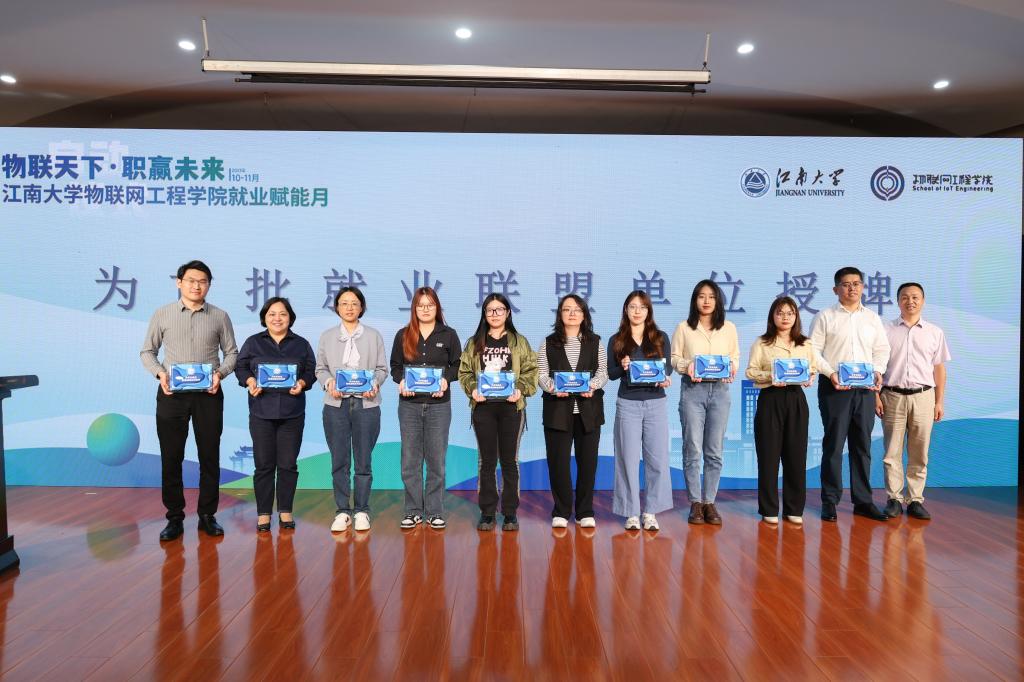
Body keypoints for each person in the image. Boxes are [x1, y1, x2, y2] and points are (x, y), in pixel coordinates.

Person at [141, 260, 238, 541]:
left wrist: (220, 374)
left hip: (208, 395)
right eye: (192, 280)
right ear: (179, 282)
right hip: (172, 395)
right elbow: (147, 352)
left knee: (209, 455)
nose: (197, 286)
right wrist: (160, 374)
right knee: (172, 457)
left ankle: (208, 515)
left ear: (209, 285)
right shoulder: (163, 314)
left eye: (203, 281)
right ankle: (174, 517)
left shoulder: (220, 316)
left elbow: (232, 353)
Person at [809, 267, 891, 522]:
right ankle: (830, 501)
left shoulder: (872, 318)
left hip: (865, 390)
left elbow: (882, 349)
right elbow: (813, 351)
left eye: (856, 283)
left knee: (862, 445)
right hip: (835, 389)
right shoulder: (825, 316)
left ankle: (863, 501)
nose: (852, 288)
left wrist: (878, 371)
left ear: (863, 287)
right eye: (846, 284)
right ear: (836, 289)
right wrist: (831, 373)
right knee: (834, 445)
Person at [234, 297, 316, 532]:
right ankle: (263, 513)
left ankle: (285, 510)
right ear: (264, 318)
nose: (277, 318)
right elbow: (241, 367)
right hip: (261, 412)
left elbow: (311, 370)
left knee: (288, 464)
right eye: (272, 314)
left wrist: (302, 382)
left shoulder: (301, 344)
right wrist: (250, 381)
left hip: (292, 412)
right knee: (263, 465)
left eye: (282, 314)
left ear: (290, 317)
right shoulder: (253, 343)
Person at [458, 293, 538, 532]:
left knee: (510, 461)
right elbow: (464, 373)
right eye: (490, 310)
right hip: (483, 408)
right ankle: (487, 512)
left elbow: (531, 370)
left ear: (508, 313)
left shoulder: (519, 342)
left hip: (511, 408)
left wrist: (520, 388)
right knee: (486, 461)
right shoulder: (474, 342)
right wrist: (472, 389)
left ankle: (510, 512)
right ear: (484, 314)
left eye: (499, 309)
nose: (495, 314)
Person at [875, 282, 950, 520]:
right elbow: (876, 367)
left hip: (924, 396)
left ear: (923, 301)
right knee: (892, 452)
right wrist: (876, 395)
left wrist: (939, 401)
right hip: (892, 395)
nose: (910, 301)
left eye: (915, 297)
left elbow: (939, 369)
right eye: (905, 297)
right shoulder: (885, 330)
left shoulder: (934, 332)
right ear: (898, 301)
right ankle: (894, 499)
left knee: (919, 452)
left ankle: (915, 499)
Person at [316, 287, 388, 533]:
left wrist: (375, 383)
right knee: (339, 461)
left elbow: (382, 369)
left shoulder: (373, 336)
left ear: (361, 307)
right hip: (335, 405)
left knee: (364, 461)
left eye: (354, 303)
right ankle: (342, 511)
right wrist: (329, 383)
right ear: (337, 307)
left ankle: (362, 510)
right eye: (344, 303)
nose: (349, 307)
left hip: (366, 405)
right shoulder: (327, 336)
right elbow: (320, 368)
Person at [389, 287, 461, 530]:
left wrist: (446, 380)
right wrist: (401, 381)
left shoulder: (448, 334)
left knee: (436, 460)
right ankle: (412, 511)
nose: (426, 309)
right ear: (414, 309)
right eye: (421, 305)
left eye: (430, 304)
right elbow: (395, 366)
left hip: (439, 406)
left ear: (437, 307)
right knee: (410, 460)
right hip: (409, 405)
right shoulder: (403, 334)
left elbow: (457, 365)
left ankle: (434, 511)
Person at [671, 280, 739, 526]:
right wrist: (687, 366)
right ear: (695, 300)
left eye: (711, 296)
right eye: (701, 296)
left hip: (720, 391)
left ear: (718, 300)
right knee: (692, 448)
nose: (707, 301)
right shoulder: (684, 328)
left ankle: (709, 501)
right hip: (693, 391)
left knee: (714, 450)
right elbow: (674, 358)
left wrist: (732, 368)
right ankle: (695, 502)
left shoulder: (729, 328)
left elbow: (734, 357)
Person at [537, 294, 609, 529]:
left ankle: (585, 511)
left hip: (588, 411)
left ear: (584, 314)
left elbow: (602, 372)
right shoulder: (548, 343)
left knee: (588, 464)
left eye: (577, 309)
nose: (572, 313)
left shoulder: (595, 342)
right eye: (567, 309)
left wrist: (592, 386)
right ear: (560, 314)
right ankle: (561, 510)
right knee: (558, 464)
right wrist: (553, 388)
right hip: (557, 411)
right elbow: (541, 374)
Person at [746, 296, 818, 525]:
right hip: (770, 398)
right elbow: (750, 371)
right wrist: (772, 376)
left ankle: (794, 508)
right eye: (780, 313)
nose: (785, 317)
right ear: (772, 316)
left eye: (790, 313)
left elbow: (813, 367)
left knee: (796, 455)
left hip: (796, 399)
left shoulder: (805, 343)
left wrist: (809, 376)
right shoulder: (762, 343)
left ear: (796, 316)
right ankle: (768, 508)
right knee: (768, 456)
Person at [607, 291, 674, 531]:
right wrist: (622, 366)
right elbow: (611, 373)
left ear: (648, 311)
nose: (637, 311)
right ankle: (631, 512)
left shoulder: (660, 337)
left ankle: (651, 512)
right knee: (627, 459)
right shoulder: (617, 339)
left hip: (656, 403)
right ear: (626, 310)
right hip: (628, 403)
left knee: (657, 459)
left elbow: (667, 369)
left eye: (642, 307)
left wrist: (664, 378)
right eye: (632, 307)